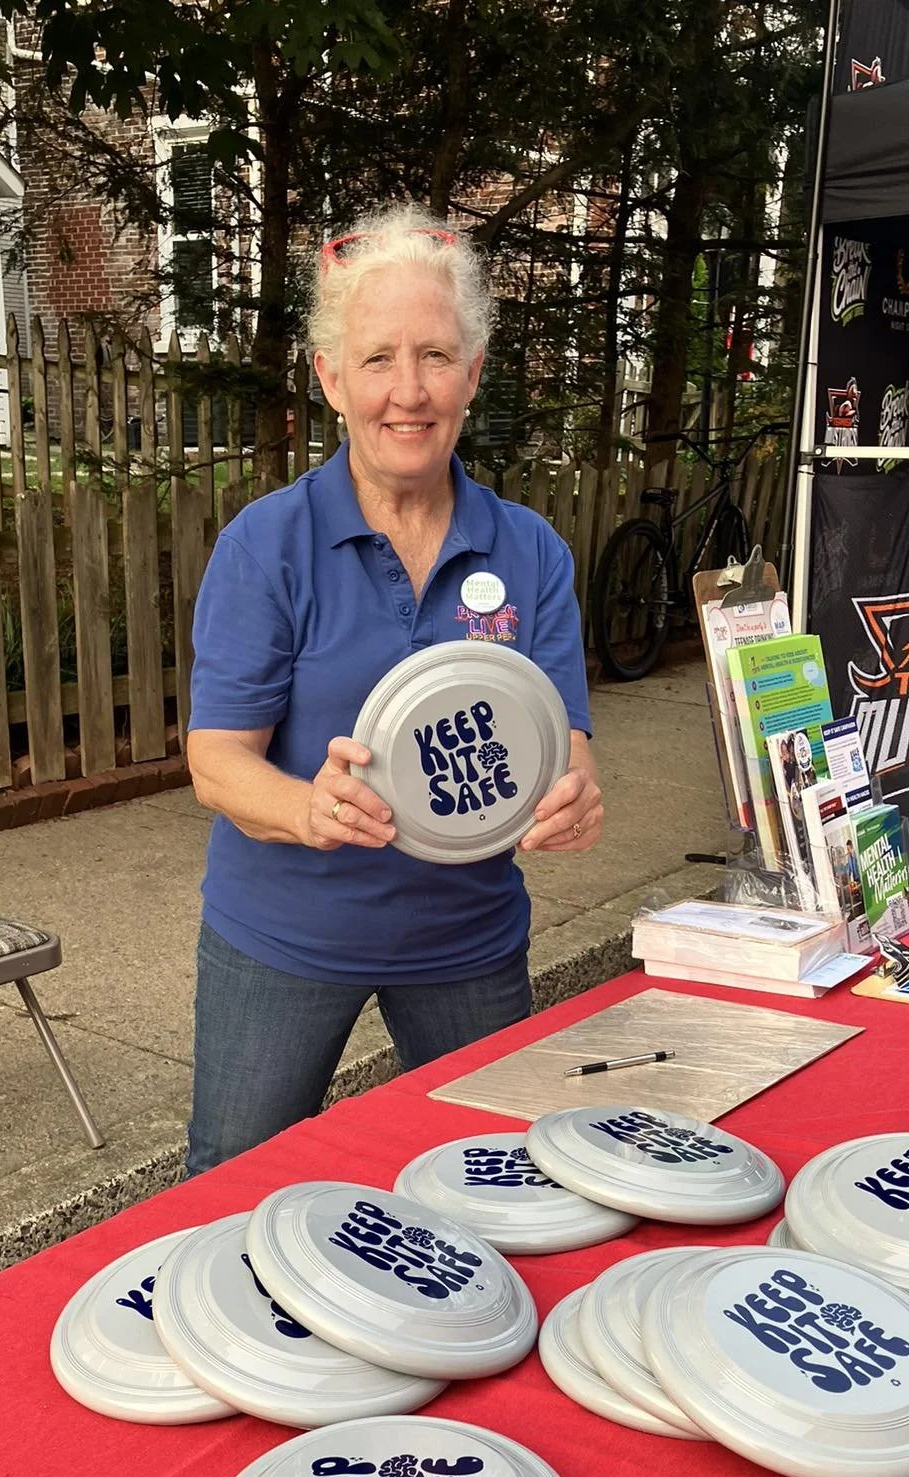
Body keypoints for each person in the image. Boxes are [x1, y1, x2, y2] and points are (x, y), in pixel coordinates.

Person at [183, 204, 601, 1174]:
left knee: (496, 1185)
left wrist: (573, 790)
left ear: (474, 372)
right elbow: (215, 763)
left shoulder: (528, 550)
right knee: (230, 1190)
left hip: (467, 941)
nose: (407, 391)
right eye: (377, 359)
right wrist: (306, 804)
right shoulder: (268, 545)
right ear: (330, 378)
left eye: (434, 356)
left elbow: (558, 736)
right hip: (282, 937)